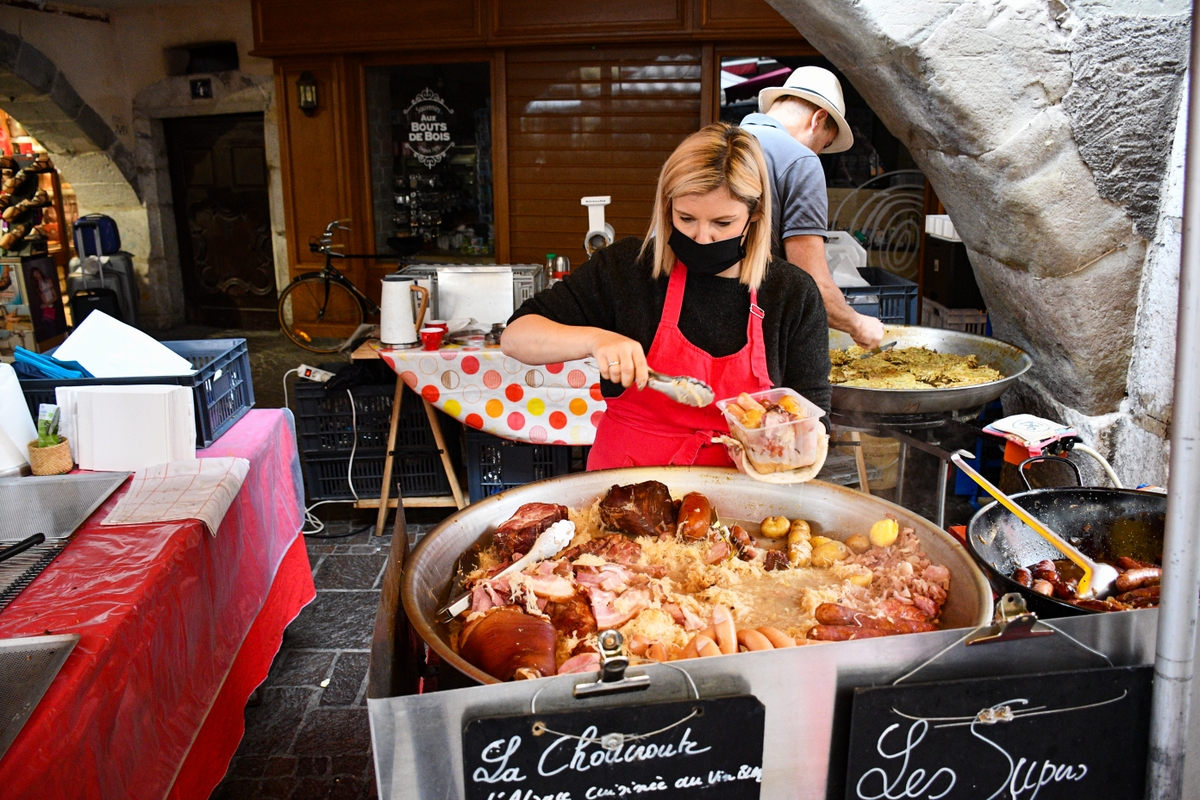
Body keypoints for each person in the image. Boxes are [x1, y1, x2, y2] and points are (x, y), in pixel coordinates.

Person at [501, 123, 830, 471]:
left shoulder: (792, 292)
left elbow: (813, 420)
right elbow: (516, 336)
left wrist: (783, 443)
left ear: (754, 217)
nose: (702, 237)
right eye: (686, 218)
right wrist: (595, 339)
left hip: (743, 495)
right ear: (667, 206)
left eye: (722, 223)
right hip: (624, 483)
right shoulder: (628, 267)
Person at [741, 66, 886, 349]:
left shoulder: (716, 142)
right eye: (824, 144)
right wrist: (859, 324)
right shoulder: (800, 160)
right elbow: (810, 282)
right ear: (818, 119)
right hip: (750, 336)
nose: (817, 153)